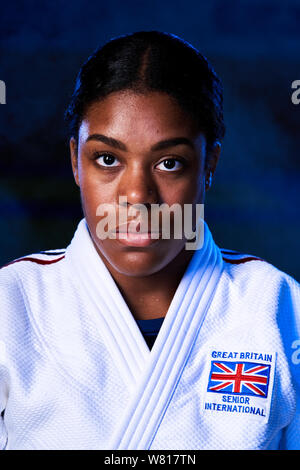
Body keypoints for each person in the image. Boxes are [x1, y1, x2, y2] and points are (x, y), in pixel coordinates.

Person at [0, 31, 299, 451]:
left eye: (169, 163)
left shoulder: (279, 309)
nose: (138, 195)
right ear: (75, 161)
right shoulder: (11, 306)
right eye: (108, 159)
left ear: (209, 164)